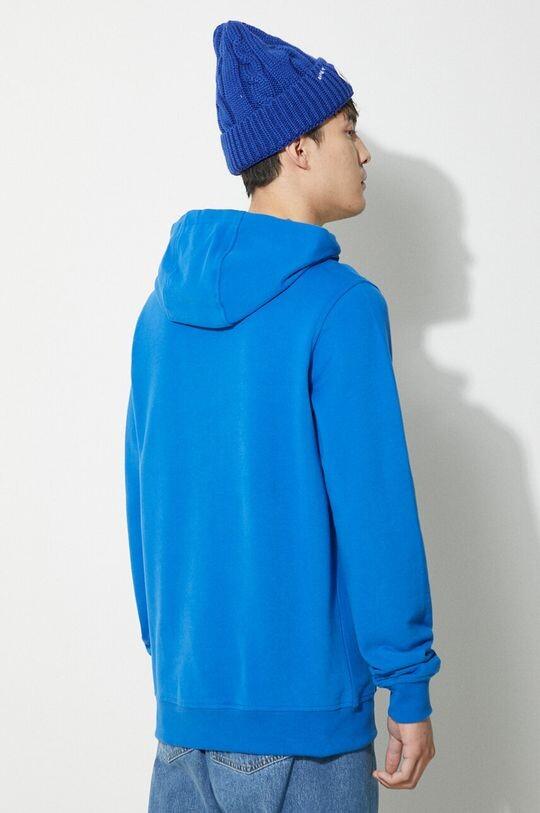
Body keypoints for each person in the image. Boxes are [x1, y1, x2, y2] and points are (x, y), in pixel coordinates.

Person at [124, 19, 442, 812]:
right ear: (299, 148)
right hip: (307, 733)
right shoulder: (340, 306)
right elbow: (375, 512)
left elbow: (144, 499)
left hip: (184, 718)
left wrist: (173, 656)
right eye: (349, 130)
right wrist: (407, 683)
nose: (363, 154)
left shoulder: (159, 314)